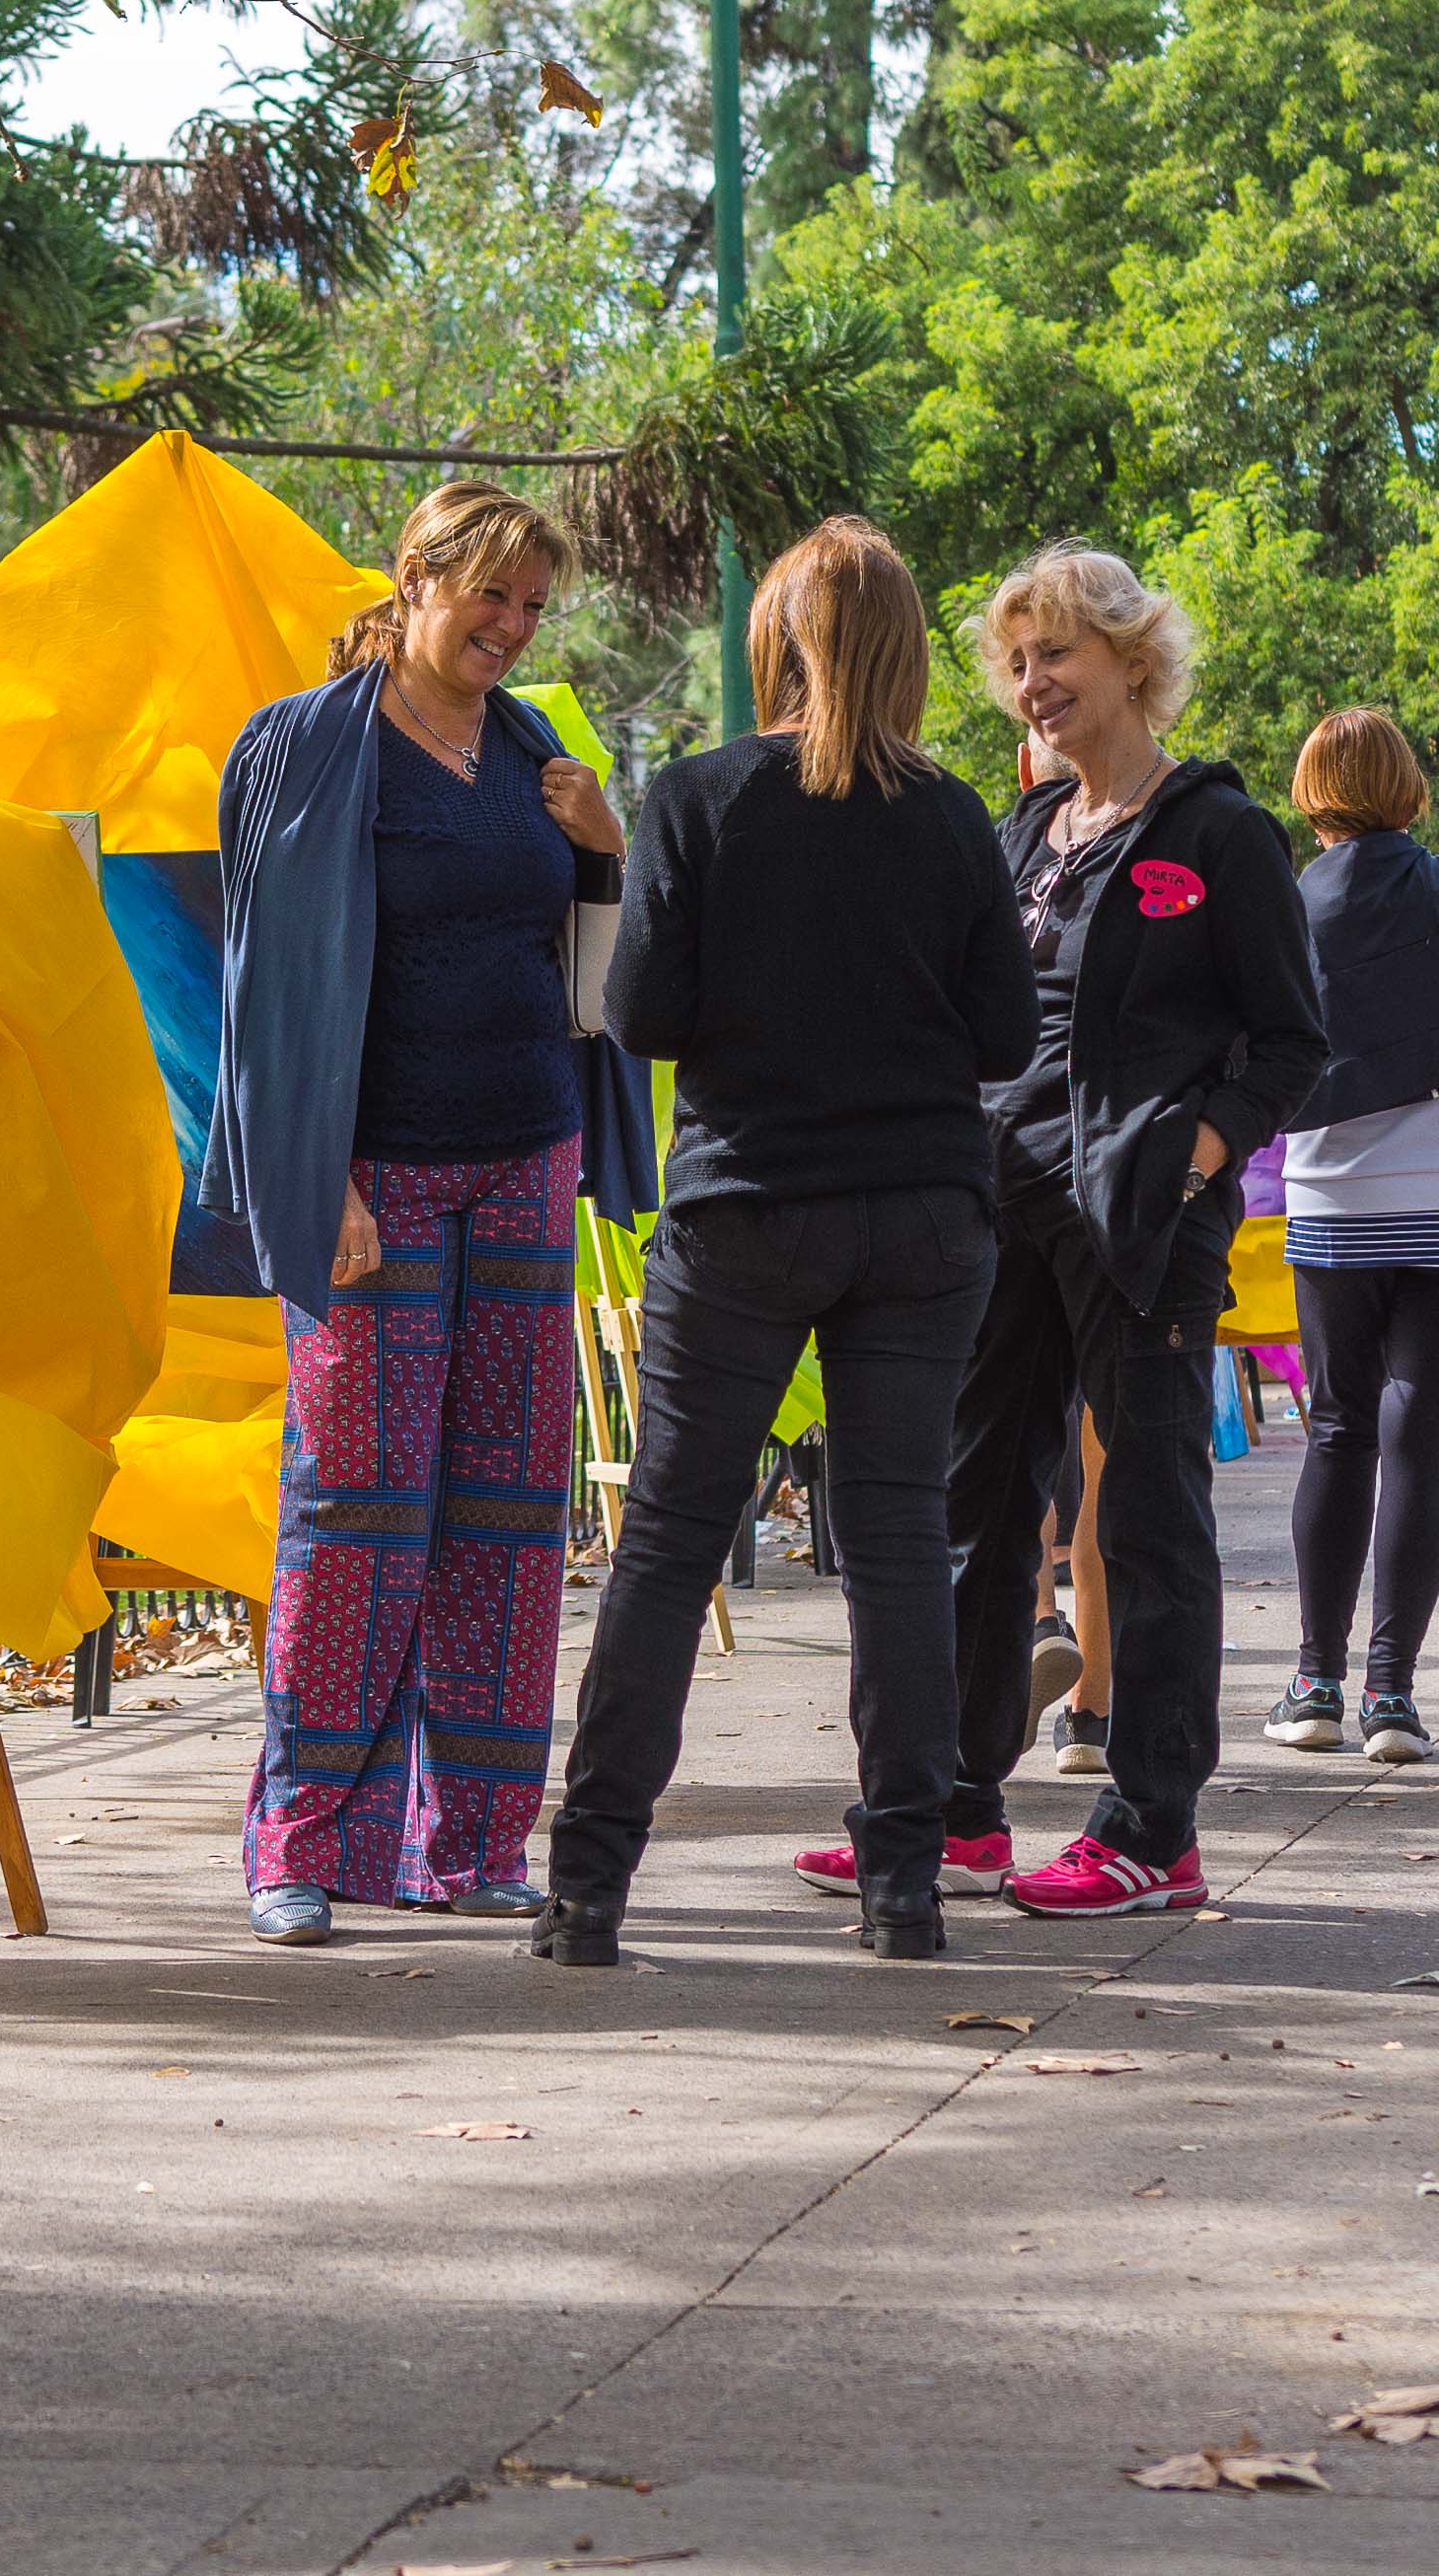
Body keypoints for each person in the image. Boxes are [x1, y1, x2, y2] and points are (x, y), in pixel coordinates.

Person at [540, 520, 1033, 1965]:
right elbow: (1006, 1032)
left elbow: (642, 1016)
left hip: (745, 1207)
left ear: (776, 643)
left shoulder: (698, 798)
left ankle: (589, 1886)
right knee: (897, 1542)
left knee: (670, 1540)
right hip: (922, 1213)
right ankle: (903, 1883)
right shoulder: (953, 816)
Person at [195, 480, 653, 1945]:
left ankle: (473, 1842)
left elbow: (597, 977)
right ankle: (299, 1840)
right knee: (355, 1513)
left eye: (532, 605)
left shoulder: (533, 753)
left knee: (506, 1512)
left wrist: (605, 847)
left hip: (528, 1152)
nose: (511, 627)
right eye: (490, 596)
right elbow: (260, 980)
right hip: (373, 1174)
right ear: (415, 578)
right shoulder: (301, 743)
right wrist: (313, 1170)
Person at [928, 546, 1329, 1918]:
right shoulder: (1021, 830)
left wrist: (1193, 1158)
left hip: (1140, 1220)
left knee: (1151, 1516)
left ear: (1132, 657)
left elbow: (1293, 1042)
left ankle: (1153, 1828)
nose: (1031, 681)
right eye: (1017, 660)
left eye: (1057, 653)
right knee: (978, 1505)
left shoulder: (1219, 832)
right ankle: (955, 1809)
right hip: (997, 1211)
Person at [1262, 708, 1439, 1768]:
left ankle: (1315, 1685)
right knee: (1421, 1437)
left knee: (1338, 1428)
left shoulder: (1290, 900)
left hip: (1339, 1194)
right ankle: (1393, 1694)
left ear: (1312, 793)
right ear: (1409, 786)